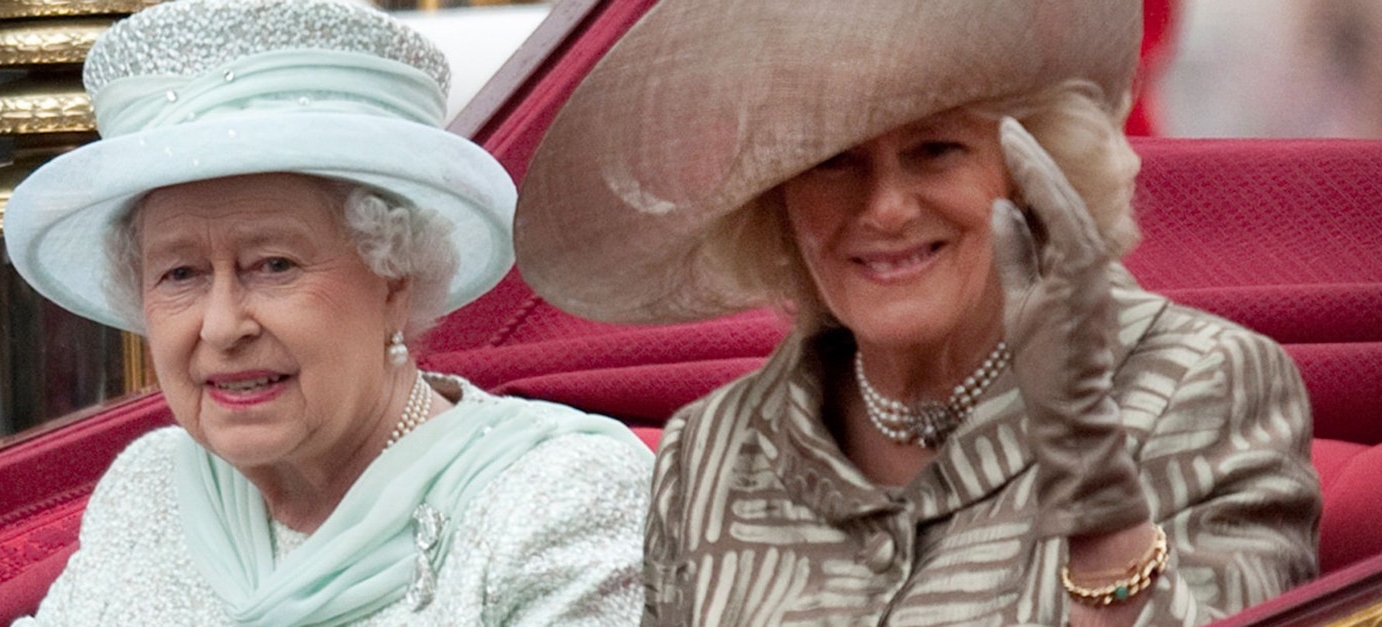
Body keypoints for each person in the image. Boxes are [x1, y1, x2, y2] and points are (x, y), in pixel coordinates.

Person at [0, 0, 652, 625]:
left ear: (397, 277)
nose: (221, 326)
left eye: (273, 265)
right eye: (180, 274)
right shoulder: (152, 489)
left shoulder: (557, 500)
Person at [514, 1, 1320, 625]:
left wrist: (1097, 487)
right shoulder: (711, 451)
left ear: (1033, 170)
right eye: (833, 162)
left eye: (936, 150)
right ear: (778, 203)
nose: (887, 208)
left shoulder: (1200, 386)